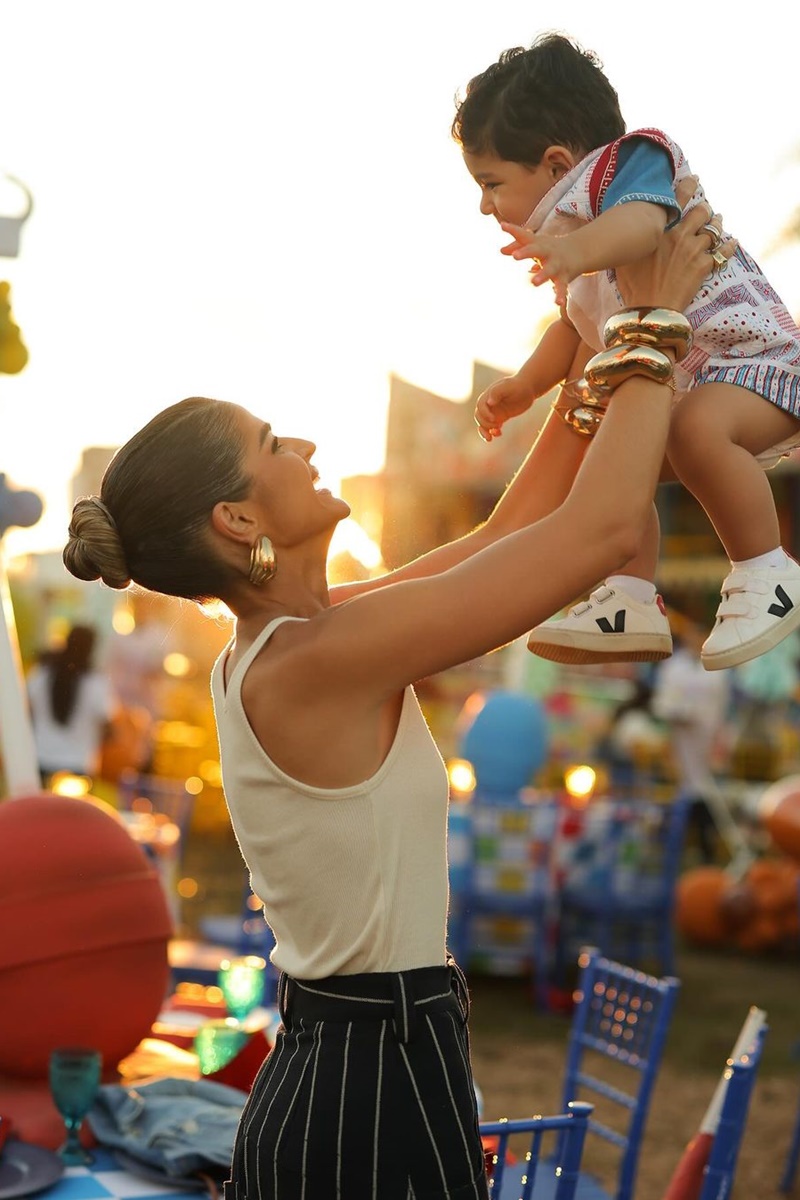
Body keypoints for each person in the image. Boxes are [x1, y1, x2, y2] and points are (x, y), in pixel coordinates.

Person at [61, 202, 726, 1199]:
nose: (310, 448)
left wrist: (591, 352)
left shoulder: (292, 646)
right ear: (239, 516)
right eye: (275, 442)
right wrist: (652, 326)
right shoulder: (310, 661)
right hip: (366, 1096)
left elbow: (510, 533)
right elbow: (591, 538)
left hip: (364, 1070)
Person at [453, 31, 800, 674]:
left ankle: (767, 572)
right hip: (701, 380)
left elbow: (643, 222)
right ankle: (632, 596)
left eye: (492, 182)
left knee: (695, 429)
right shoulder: (581, 250)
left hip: (757, 362)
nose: (484, 205)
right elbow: (572, 333)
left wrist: (574, 253)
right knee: (616, 457)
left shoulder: (631, 162)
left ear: (559, 165)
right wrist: (527, 385)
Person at [650, 625, 733, 863]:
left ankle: (702, 844)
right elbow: (664, 703)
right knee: (690, 784)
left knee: (705, 786)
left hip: (707, 737)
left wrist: (720, 736)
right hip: (683, 736)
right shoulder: (674, 666)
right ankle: (685, 843)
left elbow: (722, 705)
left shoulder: (718, 666)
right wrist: (683, 713)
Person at [26, 624, 115, 784]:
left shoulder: (42, 673)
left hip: (40, 761)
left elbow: (27, 709)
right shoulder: (96, 683)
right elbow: (108, 725)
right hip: (78, 768)